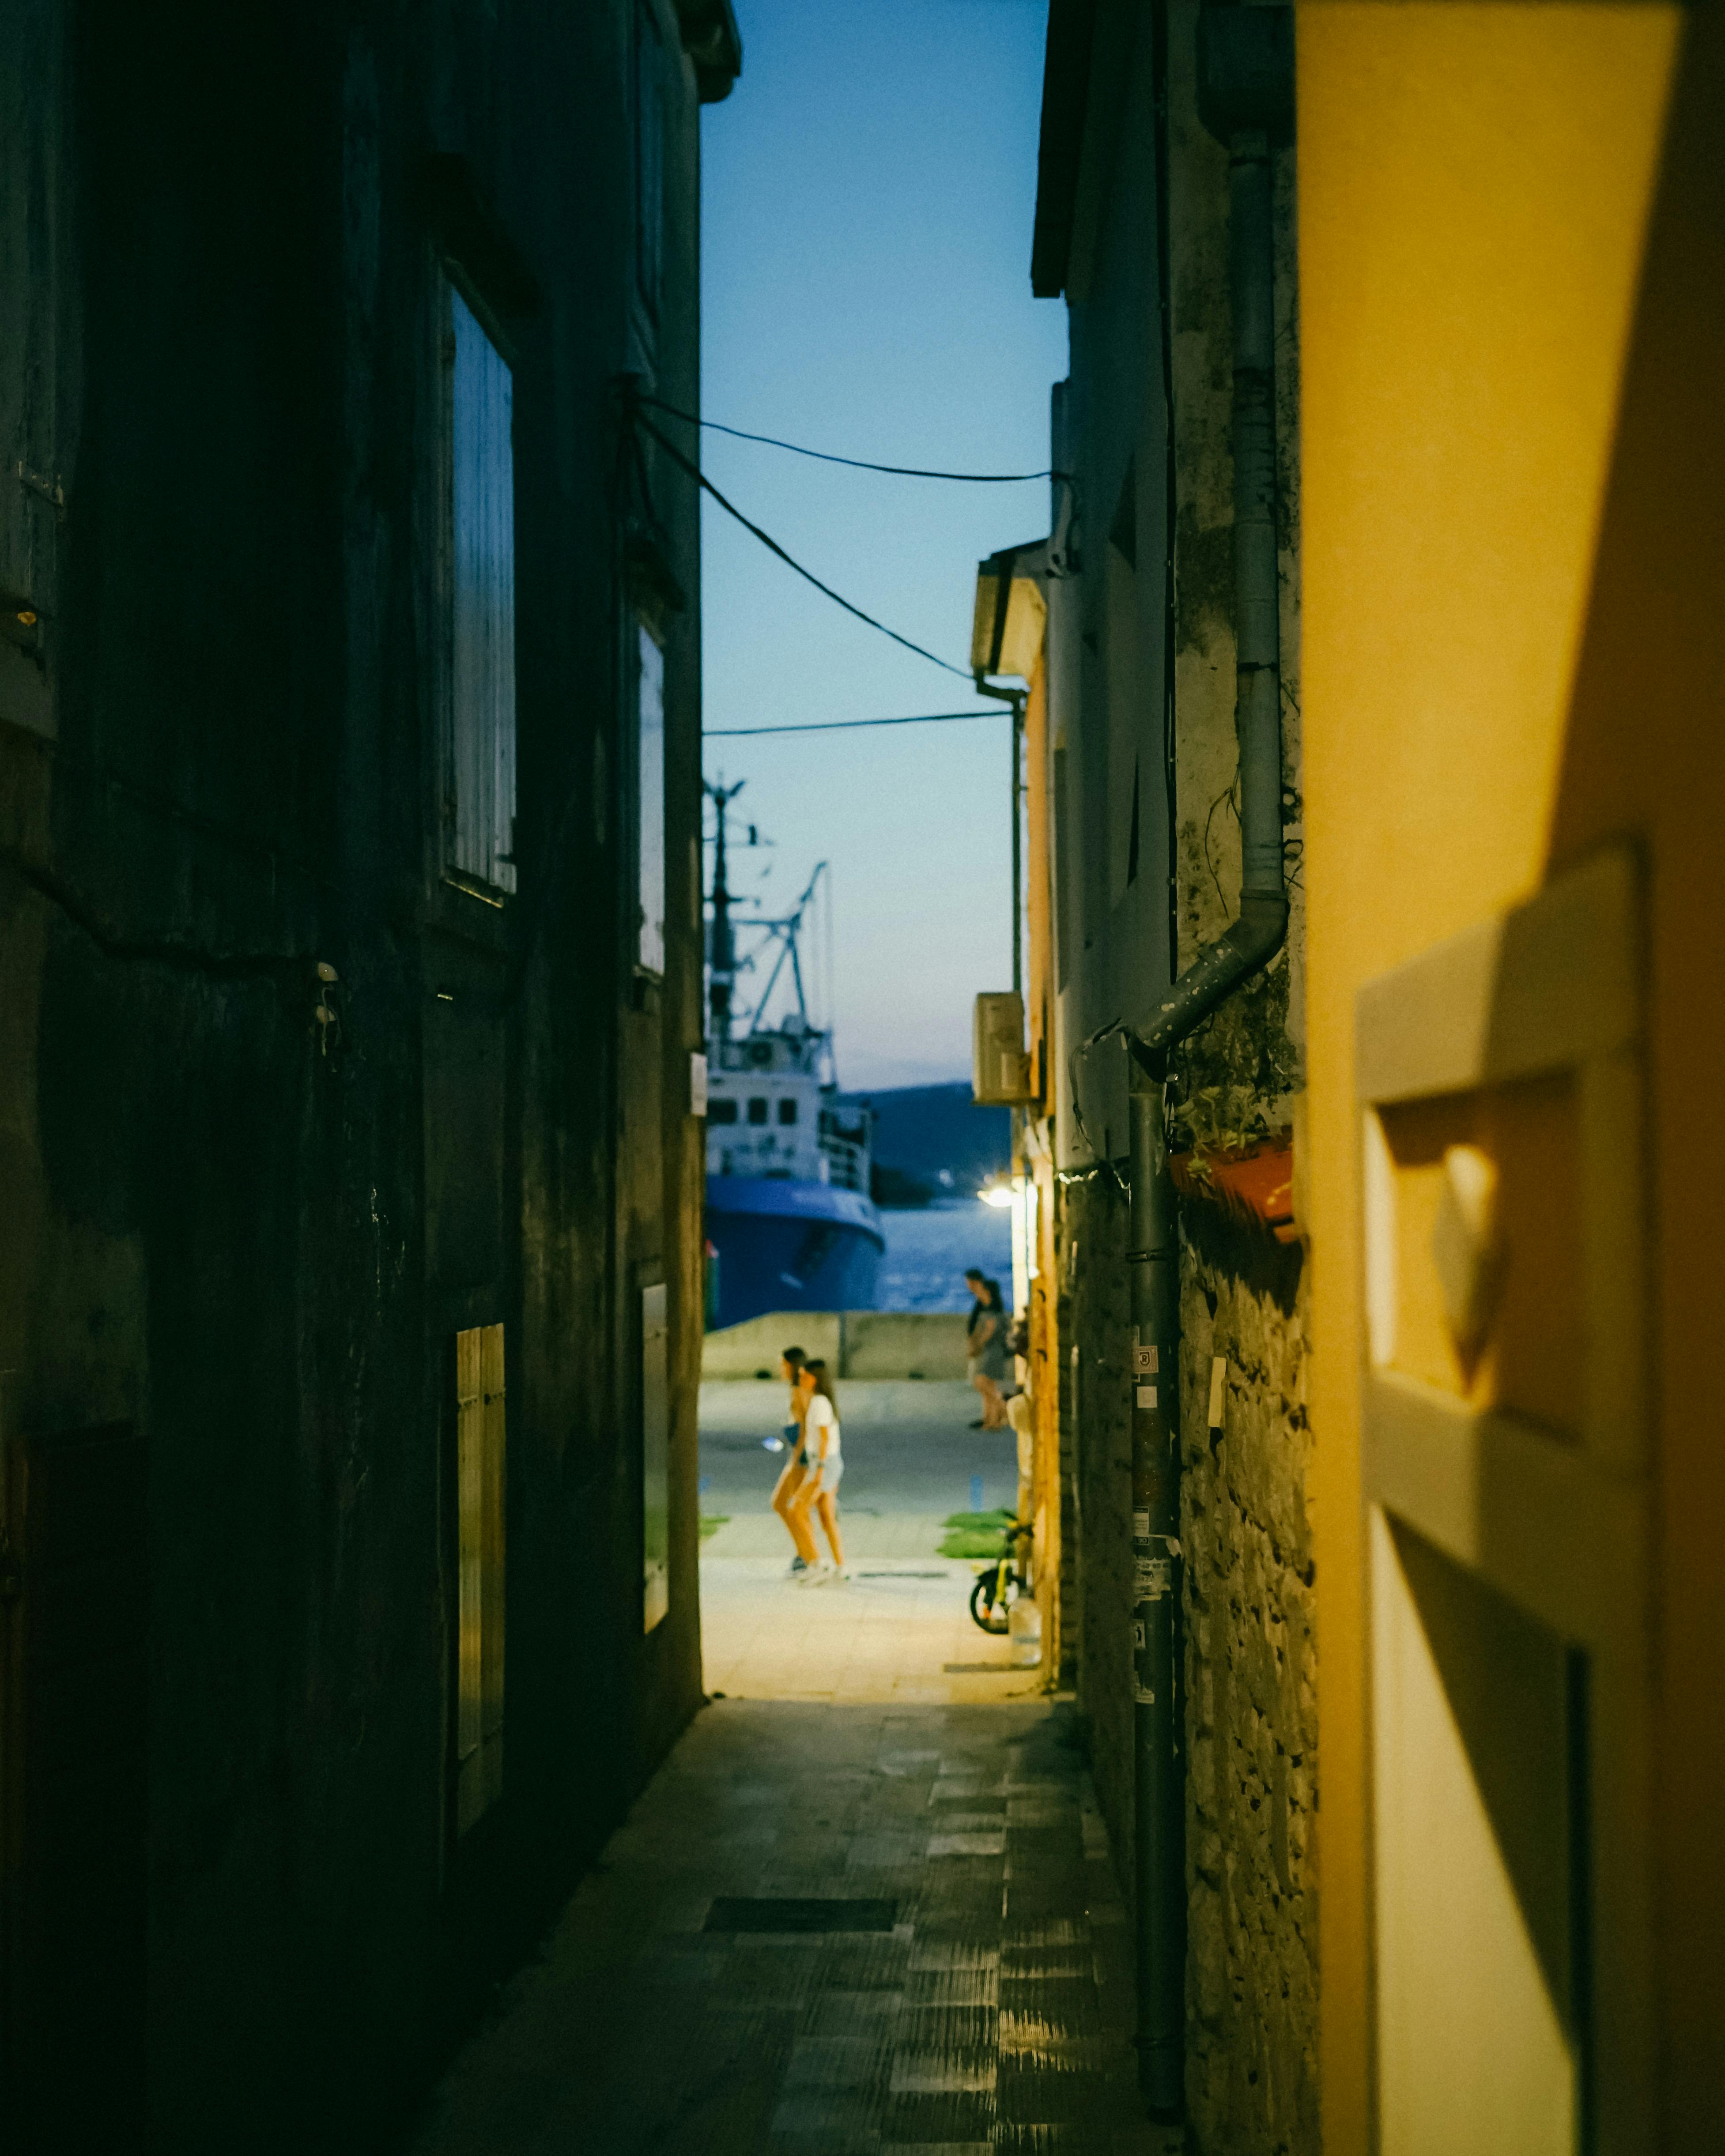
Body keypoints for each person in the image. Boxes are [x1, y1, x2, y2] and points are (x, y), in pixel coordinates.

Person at [789, 1359, 846, 1583]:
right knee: (826, 1516)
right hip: (824, 1462)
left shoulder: (821, 1402)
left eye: (804, 1376)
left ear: (815, 1378)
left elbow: (823, 1437)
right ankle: (839, 1566)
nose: (801, 1380)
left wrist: (820, 1469)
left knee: (797, 1510)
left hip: (824, 1463)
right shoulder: (815, 1401)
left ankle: (817, 1563)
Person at [770, 1346, 819, 1574]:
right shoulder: (798, 1390)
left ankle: (810, 1558)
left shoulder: (800, 1391)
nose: (780, 1369)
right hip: (800, 1457)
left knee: (794, 1509)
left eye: (782, 1364)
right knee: (783, 1505)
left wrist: (796, 1459)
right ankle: (804, 1555)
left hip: (802, 1458)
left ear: (790, 1366)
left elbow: (805, 1430)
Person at [964, 1269, 1010, 1430]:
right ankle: (991, 1419)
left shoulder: (991, 1310)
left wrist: (979, 1345)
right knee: (988, 1385)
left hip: (992, 1350)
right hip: (990, 1350)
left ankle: (1002, 1411)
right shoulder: (987, 1307)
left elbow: (990, 1331)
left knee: (982, 1383)